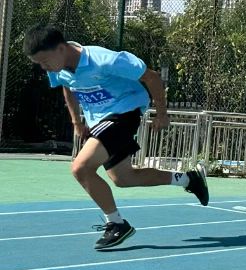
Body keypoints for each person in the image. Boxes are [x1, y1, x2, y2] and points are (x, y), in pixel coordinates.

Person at [24, 23, 208, 249]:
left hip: (124, 112)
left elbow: (152, 77)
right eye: (39, 64)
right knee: (124, 178)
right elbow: (67, 86)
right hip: (100, 121)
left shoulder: (105, 60)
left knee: (80, 168)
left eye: (44, 61)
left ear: (61, 48)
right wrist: (76, 121)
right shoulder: (58, 68)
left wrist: (161, 114)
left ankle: (116, 223)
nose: (44, 68)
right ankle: (189, 179)